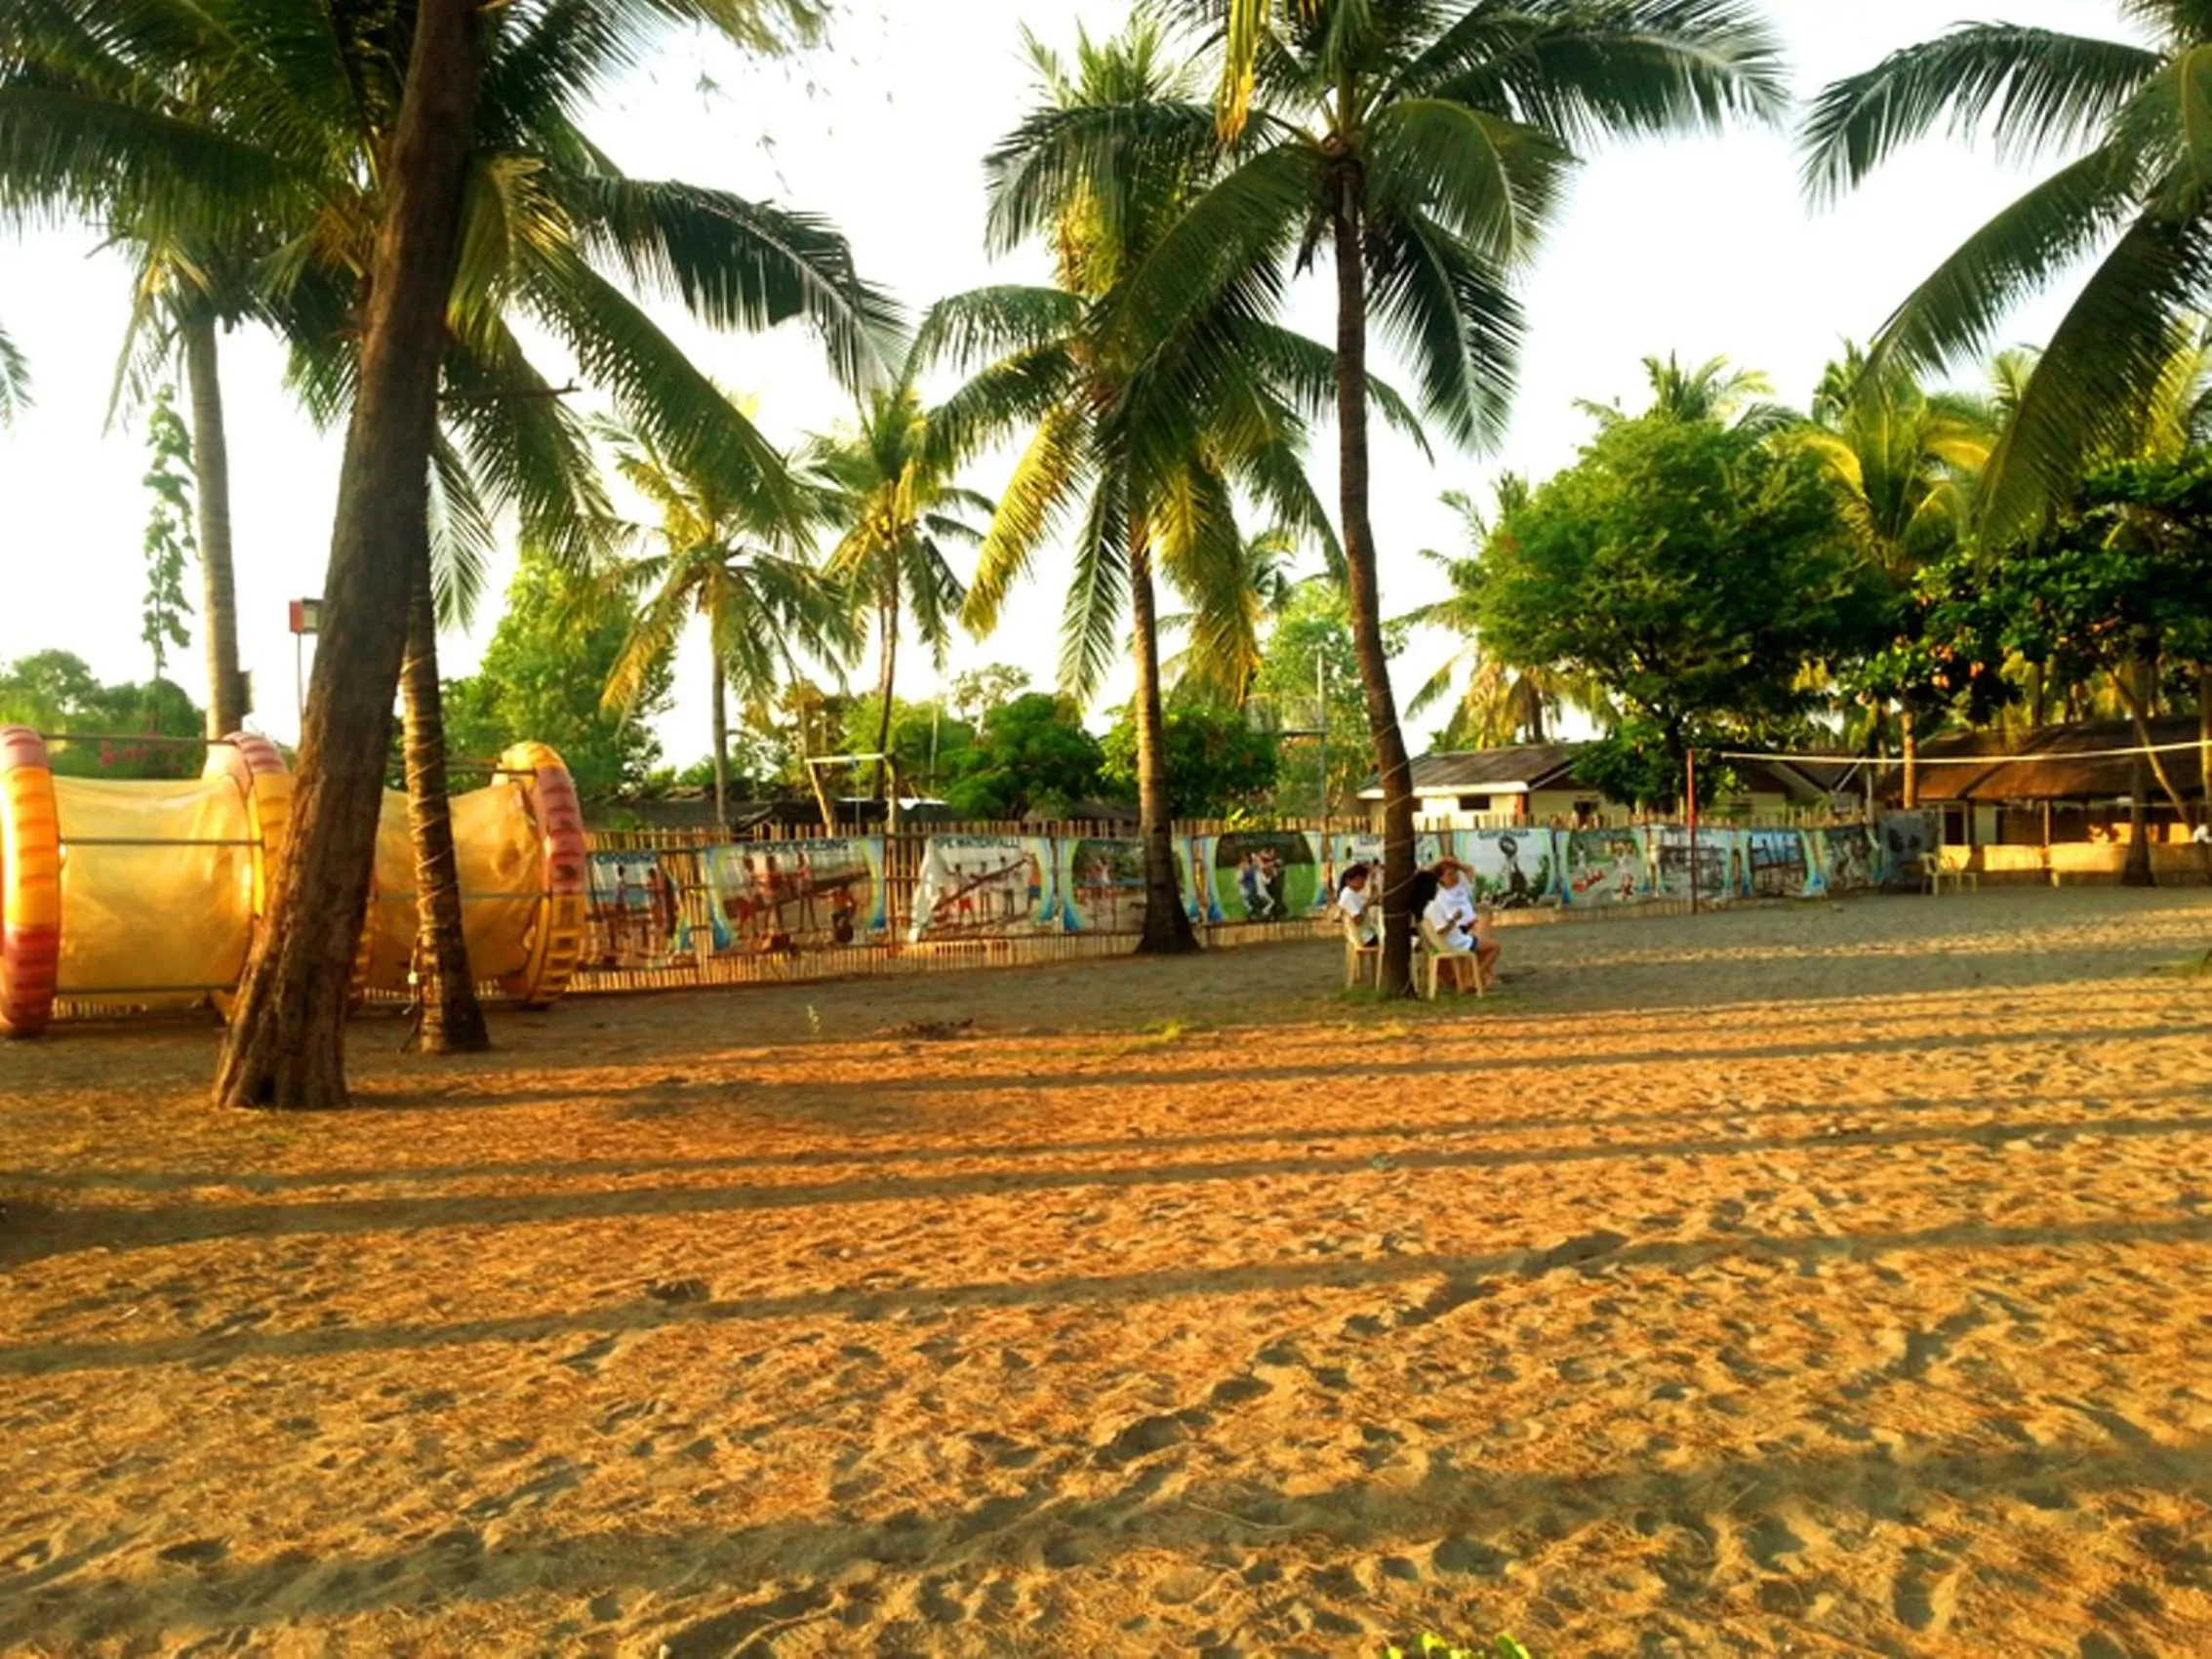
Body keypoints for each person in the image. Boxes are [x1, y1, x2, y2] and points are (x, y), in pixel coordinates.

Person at [1423, 861, 1502, 991]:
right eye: (1450, 874)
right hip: (1456, 939)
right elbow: (1442, 929)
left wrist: (1454, 863)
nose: (1454, 876)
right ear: (1440, 879)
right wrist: (1455, 920)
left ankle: (1471, 979)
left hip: (1458, 934)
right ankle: (1473, 979)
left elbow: (1470, 869)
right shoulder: (1436, 901)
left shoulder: (1430, 905)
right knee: (1495, 947)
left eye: (1455, 873)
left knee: (1481, 925)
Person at [1336, 863, 1377, 943]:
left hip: (1363, 935)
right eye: (1360, 880)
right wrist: (1367, 905)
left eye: (1364, 880)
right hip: (1365, 938)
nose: (1363, 883)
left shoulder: (1352, 893)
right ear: (1349, 881)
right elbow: (1358, 920)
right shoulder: (1348, 895)